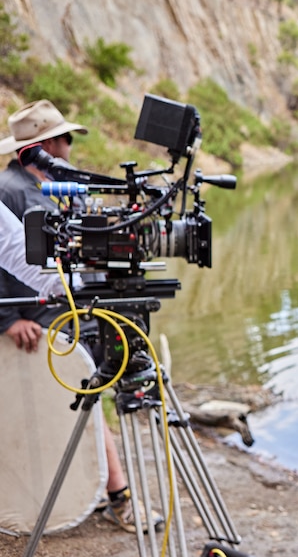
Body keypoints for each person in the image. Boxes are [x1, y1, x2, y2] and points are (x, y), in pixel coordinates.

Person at [0, 99, 164, 534]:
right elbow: (9, 258)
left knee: (87, 394)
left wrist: (89, 287)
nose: (69, 147)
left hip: (70, 307)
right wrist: (8, 319)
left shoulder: (55, 184)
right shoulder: (10, 190)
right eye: (66, 139)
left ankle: (100, 490)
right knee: (84, 400)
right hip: (39, 317)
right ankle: (119, 495)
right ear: (43, 145)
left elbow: (28, 253)